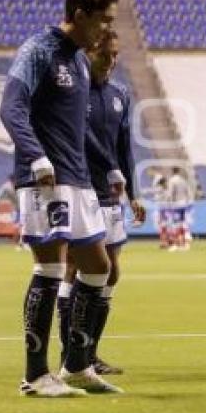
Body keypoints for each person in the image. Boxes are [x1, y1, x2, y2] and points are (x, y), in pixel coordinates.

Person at [0, 0, 124, 396]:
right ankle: (35, 375)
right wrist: (36, 156)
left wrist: (110, 166)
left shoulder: (81, 63)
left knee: (97, 268)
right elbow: (10, 108)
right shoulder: (38, 50)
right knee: (50, 269)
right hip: (45, 179)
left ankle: (76, 365)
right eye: (103, 21)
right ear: (80, 14)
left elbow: (81, 128)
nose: (107, 31)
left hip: (80, 180)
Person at [57, 30, 146, 375]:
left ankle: (89, 352)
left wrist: (134, 194)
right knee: (75, 268)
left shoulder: (121, 94)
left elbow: (124, 148)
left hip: (111, 194)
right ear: (87, 52)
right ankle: (72, 353)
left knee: (111, 271)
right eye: (103, 55)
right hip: (81, 188)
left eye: (114, 55)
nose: (110, 62)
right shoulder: (75, 92)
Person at [167, 167, 192, 251]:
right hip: (185, 204)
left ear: (172, 172)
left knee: (175, 225)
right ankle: (185, 244)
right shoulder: (183, 180)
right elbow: (188, 192)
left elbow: (170, 193)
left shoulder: (172, 180)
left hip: (176, 204)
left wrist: (169, 203)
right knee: (184, 224)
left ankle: (176, 244)